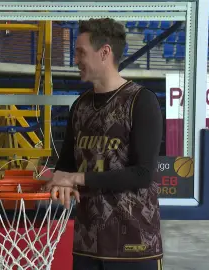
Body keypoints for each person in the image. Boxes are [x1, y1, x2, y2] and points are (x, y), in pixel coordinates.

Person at [45, 18, 164, 270]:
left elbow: (142, 174)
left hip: (135, 245)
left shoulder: (142, 101)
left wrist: (77, 179)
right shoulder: (79, 106)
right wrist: (61, 183)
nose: (75, 59)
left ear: (105, 52)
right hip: (88, 243)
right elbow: (65, 167)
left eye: (81, 52)